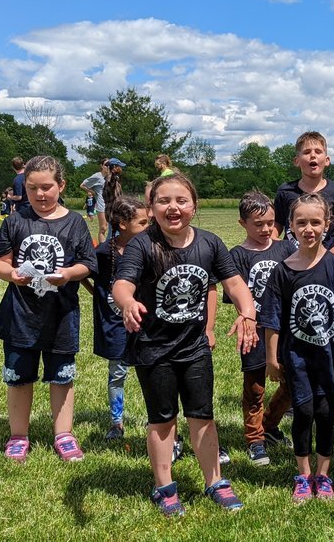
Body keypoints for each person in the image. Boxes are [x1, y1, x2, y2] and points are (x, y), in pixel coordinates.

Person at [112, 173, 257, 516]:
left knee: (202, 416)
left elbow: (235, 284)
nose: (173, 207)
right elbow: (122, 284)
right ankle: (164, 487)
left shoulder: (210, 243)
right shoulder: (142, 245)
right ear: (151, 207)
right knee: (162, 420)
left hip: (194, 348)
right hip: (153, 349)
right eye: (164, 201)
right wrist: (127, 302)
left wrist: (248, 313)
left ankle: (215, 481)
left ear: (194, 205)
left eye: (181, 200)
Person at [0, 156, 97, 463]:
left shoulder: (74, 222)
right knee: (18, 377)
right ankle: (18, 436)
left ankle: (63, 435)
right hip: (20, 315)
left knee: (62, 376)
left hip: (61, 315)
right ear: (24, 186)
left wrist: (68, 274)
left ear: (61, 185)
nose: (40, 194)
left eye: (47, 187)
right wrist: (12, 274)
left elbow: (88, 264)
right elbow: (0, 262)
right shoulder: (15, 220)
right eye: (32, 187)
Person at [260, 193, 334, 502]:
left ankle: (323, 475)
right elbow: (272, 319)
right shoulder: (283, 270)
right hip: (297, 356)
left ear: (328, 224)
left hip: (330, 356)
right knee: (303, 411)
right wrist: (271, 359)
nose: (308, 229)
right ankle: (303, 474)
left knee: (325, 413)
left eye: (315, 222)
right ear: (291, 226)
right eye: (301, 223)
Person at [227, 191, 294, 467]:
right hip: (254, 330)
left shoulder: (286, 249)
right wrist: (248, 321)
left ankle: (270, 425)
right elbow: (237, 295)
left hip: (285, 329)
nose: (266, 229)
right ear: (242, 223)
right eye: (258, 224)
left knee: (291, 383)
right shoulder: (237, 255)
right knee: (255, 388)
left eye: (270, 222)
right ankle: (255, 439)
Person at [81, 196, 149, 440]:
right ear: (122, 224)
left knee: (150, 372)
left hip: (144, 325)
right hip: (114, 324)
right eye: (142, 223)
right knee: (117, 373)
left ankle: (156, 419)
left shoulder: (149, 249)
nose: (148, 227)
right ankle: (116, 422)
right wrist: (98, 294)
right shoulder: (103, 253)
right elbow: (83, 272)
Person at [274, 131, 334, 249]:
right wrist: (278, 245)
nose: (313, 155)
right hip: (292, 256)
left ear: (327, 160)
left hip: (327, 255)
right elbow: (276, 223)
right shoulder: (285, 191)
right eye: (307, 152)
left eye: (318, 151)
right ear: (297, 161)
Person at [80, 159, 109, 243]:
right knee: (103, 228)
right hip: (101, 204)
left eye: (109, 165)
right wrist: (92, 191)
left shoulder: (111, 176)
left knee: (110, 227)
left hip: (110, 205)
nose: (108, 167)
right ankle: (101, 248)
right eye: (106, 164)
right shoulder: (97, 176)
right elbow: (82, 185)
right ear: (101, 166)